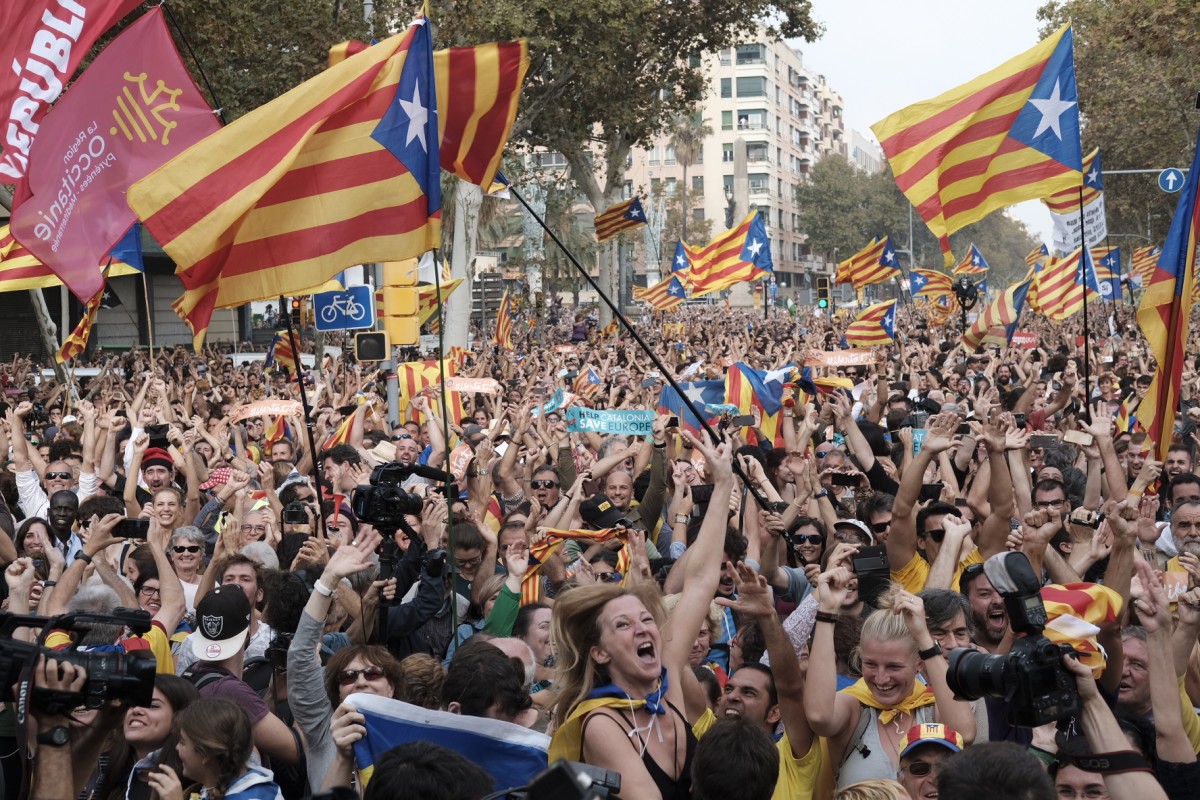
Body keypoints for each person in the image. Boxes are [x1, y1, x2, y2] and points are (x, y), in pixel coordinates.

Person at [547, 434, 733, 799]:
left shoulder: (669, 681)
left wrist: (724, 482)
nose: (644, 627)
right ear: (599, 652)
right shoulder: (601, 722)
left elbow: (699, 582)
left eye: (647, 619)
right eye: (623, 624)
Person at [144, 699, 283, 800]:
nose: (176, 748)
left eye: (182, 742)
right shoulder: (211, 789)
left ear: (205, 754)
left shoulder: (255, 796)